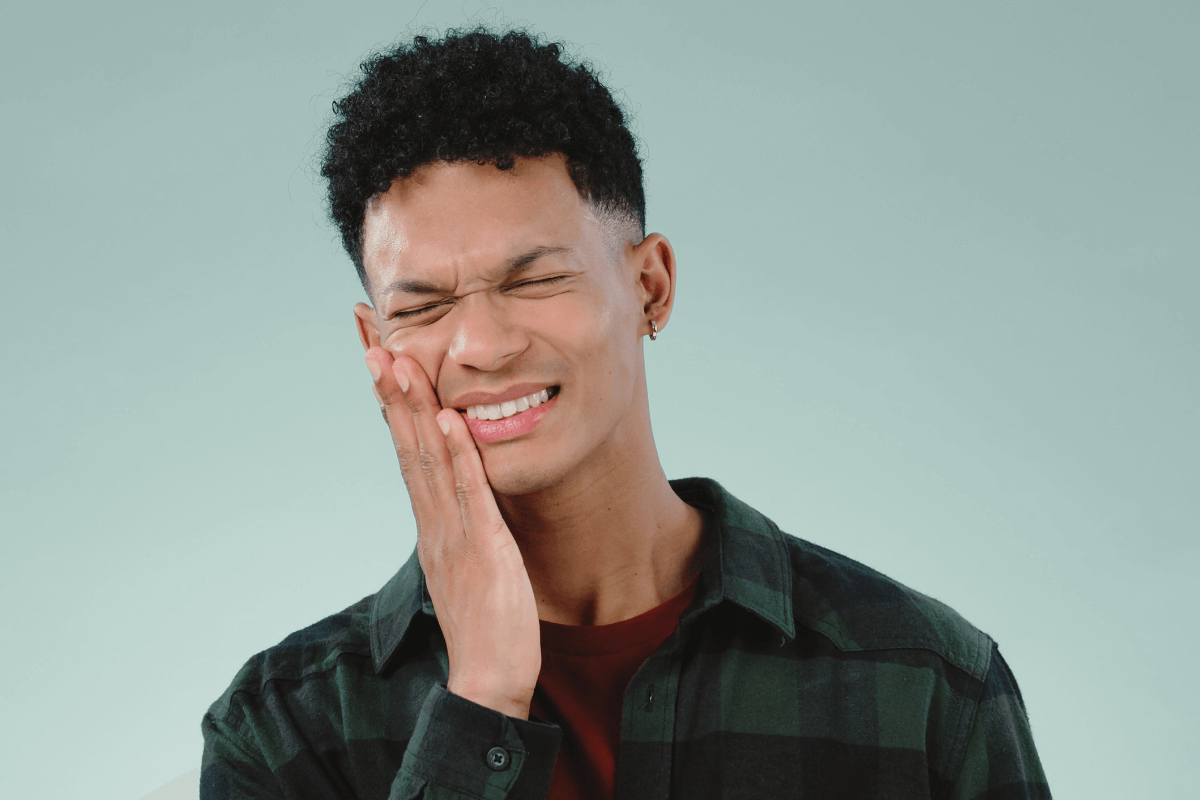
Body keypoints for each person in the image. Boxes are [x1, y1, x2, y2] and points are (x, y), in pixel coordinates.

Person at [200, 27, 1051, 800]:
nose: (482, 346)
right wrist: (483, 700)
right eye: (421, 307)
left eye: (534, 280)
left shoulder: (924, 684)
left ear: (651, 286)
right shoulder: (282, 733)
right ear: (373, 340)